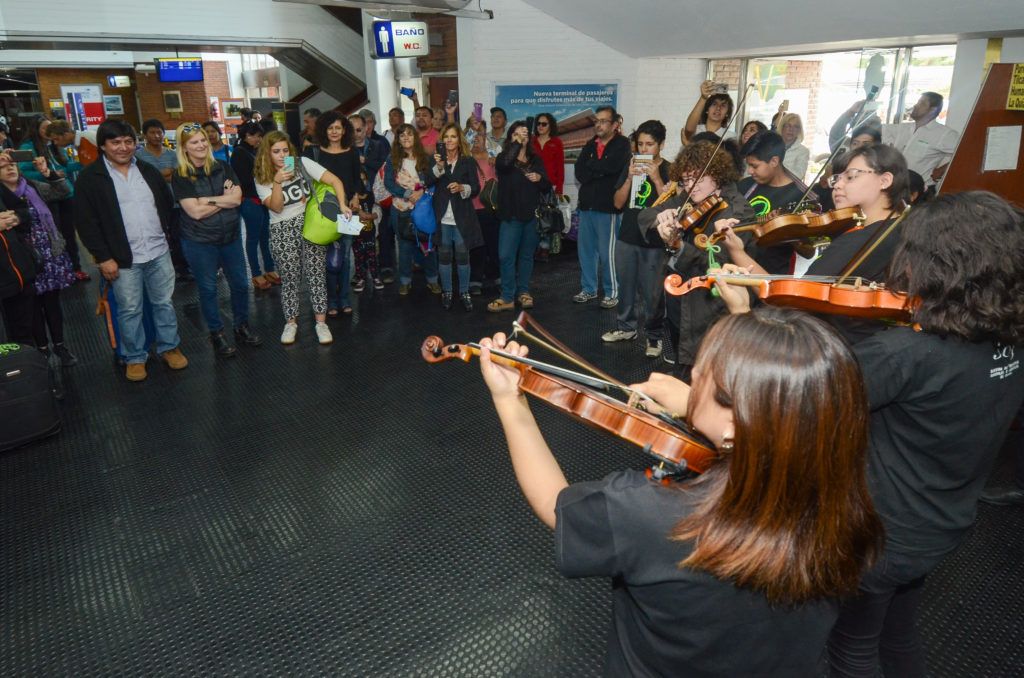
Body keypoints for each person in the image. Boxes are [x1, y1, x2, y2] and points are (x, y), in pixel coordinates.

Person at [711, 191, 1024, 678]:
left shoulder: (906, 355)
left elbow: (791, 407)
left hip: (878, 533)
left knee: (849, 651)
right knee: (897, 636)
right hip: (940, 523)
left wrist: (742, 316)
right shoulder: (1009, 342)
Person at [476, 305, 884, 677]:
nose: (692, 379)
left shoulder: (654, 515)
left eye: (701, 375)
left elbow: (555, 503)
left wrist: (510, 401)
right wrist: (700, 408)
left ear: (736, 423)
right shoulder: (845, 503)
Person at [717, 144, 909, 345]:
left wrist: (737, 254)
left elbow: (790, 302)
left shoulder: (859, 241)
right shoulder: (902, 229)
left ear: (884, 180)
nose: (837, 185)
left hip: (832, 346)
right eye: (837, 178)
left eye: (851, 177)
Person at [74, 120, 188, 382]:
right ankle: (135, 357)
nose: (123, 147)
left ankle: (169, 347)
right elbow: (86, 222)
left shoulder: (147, 170)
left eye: (128, 141)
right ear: (103, 145)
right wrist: (103, 257)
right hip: (122, 259)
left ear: (135, 143)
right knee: (129, 309)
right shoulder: (90, 179)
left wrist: (167, 236)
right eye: (115, 142)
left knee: (164, 303)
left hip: (158, 251)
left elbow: (166, 203)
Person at [639, 140, 754, 375]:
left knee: (705, 366)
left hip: (709, 305)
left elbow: (719, 264)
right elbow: (645, 215)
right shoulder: (689, 198)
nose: (691, 186)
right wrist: (661, 218)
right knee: (681, 353)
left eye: (698, 179)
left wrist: (680, 246)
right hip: (679, 294)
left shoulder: (738, 210)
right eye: (686, 180)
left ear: (717, 175)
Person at [172, 122, 261, 357]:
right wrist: (223, 198)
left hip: (230, 236)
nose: (201, 145)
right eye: (194, 142)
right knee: (208, 289)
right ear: (184, 147)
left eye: (203, 140)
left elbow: (237, 199)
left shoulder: (223, 167)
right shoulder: (181, 176)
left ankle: (241, 326)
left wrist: (207, 200)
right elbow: (195, 212)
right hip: (199, 241)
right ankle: (217, 333)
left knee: (240, 284)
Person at [254, 130, 345, 345]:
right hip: (282, 229)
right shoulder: (261, 177)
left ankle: (321, 323)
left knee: (316, 275)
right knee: (290, 280)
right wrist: (277, 182)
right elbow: (276, 207)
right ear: (267, 153)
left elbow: (335, 181)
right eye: (276, 151)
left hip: (310, 225)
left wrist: (342, 204)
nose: (282, 155)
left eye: (285, 150)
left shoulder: (302, 163)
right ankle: (291, 323)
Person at [600, 120, 671, 358]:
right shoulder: (631, 165)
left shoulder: (670, 169)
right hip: (628, 236)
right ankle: (626, 328)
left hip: (655, 240)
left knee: (653, 293)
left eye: (649, 144)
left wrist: (657, 179)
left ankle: (654, 336)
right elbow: (617, 203)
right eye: (640, 144)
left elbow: (672, 207)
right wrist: (629, 178)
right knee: (626, 286)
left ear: (661, 144)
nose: (644, 149)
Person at [0, 152, 78, 366]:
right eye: (3, 166)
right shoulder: (2, 196)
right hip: (23, 259)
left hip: (49, 252)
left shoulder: (32, 186)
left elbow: (64, 191)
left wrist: (47, 172)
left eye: (13, 164)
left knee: (53, 304)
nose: (10, 168)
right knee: (31, 306)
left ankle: (60, 346)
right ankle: (42, 350)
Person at [302, 111, 360, 314]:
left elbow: (356, 180)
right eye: (330, 128)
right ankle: (331, 300)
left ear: (344, 130)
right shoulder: (312, 152)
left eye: (338, 128)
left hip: (347, 211)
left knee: (345, 257)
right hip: (322, 213)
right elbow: (298, 172)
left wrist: (356, 197)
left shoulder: (352, 152)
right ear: (323, 130)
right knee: (325, 258)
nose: (334, 132)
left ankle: (344, 298)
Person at [573, 105, 631, 308]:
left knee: (608, 254)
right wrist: (599, 170)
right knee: (586, 252)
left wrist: (593, 168)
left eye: (603, 121)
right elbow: (580, 172)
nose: (598, 124)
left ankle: (612, 291)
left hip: (608, 208)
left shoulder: (622, 144)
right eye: (596, 121)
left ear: (614, 125)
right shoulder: (590, 145)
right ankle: (588, 289)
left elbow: (613, 166)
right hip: (587, 206)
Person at [489, 122, 550, 313]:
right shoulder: (503, 157)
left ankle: (523, 292)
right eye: (515, 134)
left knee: (526, 256)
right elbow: (505, 164)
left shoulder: (535, 160)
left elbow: (546, 185)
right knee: (505, 256)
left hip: (531, 216)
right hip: (510, 216)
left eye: (523, 133)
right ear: (510, 138)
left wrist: (540, 179)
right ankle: (507, 296)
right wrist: (516, 143)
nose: (520, 136)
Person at [834, 91, 958, 185]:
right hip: (896, 187)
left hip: (919, 189)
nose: (916, 105)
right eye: (917, 102)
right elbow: (871, 127)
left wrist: (942, 170)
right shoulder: (902, 128)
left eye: (922, 103)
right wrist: (859, 110)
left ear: (933, 110)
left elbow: (963, 154)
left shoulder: (944, 134)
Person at [727, 131, 806, 275]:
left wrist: (787, 231)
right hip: (736, 270)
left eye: (755, 166)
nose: (750, 171)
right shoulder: (744, 185)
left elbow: (809, 252)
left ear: (774, 161)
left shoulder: (801, 195)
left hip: (771, 276)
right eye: (748, 165)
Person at [430, 123, 482, 311]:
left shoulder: (468, 161)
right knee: (444, 257)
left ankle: (464, 292)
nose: (449, 140)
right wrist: (439, 167)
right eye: (446, 137)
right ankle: (447, 292)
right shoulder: (436, 160)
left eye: (453, 136)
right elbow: (427, 181)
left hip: (462, 217)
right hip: (442, 217)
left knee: (462, 257)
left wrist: (461, 187)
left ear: (459, 140)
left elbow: (475, 188)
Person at [383, 123, 439, 296]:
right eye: (402, 135)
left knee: (428, 245)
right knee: (404, 247)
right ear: (398, 140)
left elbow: (433, 180)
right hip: (400, 209)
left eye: (409, 134)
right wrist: (408, 193)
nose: (406, 137)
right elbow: (388, 183)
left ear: (415, 137)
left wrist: (421, 192)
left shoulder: (426, 158)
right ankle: (405, 281)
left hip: (423, 208)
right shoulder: (392, 159)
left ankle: (432, 280)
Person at [230, 121, 278, 291]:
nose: (258, 139)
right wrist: (265, 179)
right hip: (250, 200)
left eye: (259, 136)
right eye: (255, 136)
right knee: (253, 238)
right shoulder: (239, 153)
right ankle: (256, 273)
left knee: (265, 237)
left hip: (262, 199)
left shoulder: (255, 151)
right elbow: (244, 180)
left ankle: (269, 269)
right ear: (246, 136)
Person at [41, 120, 89, 282]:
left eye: (56, 138)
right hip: (52, 196)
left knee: (70, 232)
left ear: (65, 133)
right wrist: (49, 174)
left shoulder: (84, 140)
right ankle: (68, 269)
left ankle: (75, 267)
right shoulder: (35, 147)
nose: (54, 142)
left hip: (67, 193)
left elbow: (80, 164)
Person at [531, 112, 565, 263]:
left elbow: (560, 167)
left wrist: (559, 189)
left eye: (544, 124)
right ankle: (533, 247)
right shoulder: (531, 141)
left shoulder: (556, 142)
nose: (540, 126)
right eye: (538, 123)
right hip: (531, 185)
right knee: (533, 217)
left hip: (549, 187)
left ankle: (544, 248)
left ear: (550, 126)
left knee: (546, 217)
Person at [469, 131, 499, 295]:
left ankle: (497, 276)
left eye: (479, 136)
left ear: (485, 139)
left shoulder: (493, 156)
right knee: (477, 245)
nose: (476, 139)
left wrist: (497, 162)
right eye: (473, 136)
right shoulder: (466, 158)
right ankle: (476, 279)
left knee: (494, 244)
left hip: (490, 207)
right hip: (472, 208)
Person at [777, 113, 810, 180]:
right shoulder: (772, 145)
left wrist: (777, 167)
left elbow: (799, 175)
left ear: (799, 130)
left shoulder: (803, 151)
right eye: (788, 125)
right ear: (782, 127)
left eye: (795, 127)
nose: (791, 129)